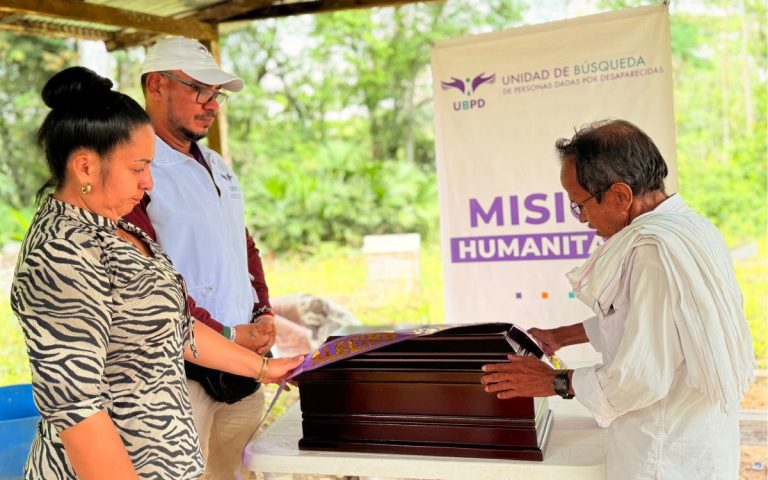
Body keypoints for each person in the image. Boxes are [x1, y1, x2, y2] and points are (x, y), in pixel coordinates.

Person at [11, 66, 303, 480]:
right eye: (138, 168)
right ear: (85, 168)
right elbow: (77, 411)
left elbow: (177, 328)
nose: (148, 182)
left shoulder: (118, 229)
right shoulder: (61, 252)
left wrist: (264, 369)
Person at [481, 119, 755, 479]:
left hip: (663, 455)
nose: (582, 218)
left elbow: (640, 378)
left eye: (579, 204)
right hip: (699, 439)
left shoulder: (653, 251)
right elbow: (655, 323)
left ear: (621, 195)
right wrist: (561, 336)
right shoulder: (692, 228)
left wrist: (554, 381)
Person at [121, 36, 302, 479]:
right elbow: (143, 277)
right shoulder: (134, 170)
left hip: (243, 367)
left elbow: (242, 245)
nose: (212, 105)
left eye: (216, 94)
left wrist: (262, 313)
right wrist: (227, 334)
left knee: (239, 472)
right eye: (200, 90)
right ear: (157, 85)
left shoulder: (217, 164)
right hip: (177, 373)